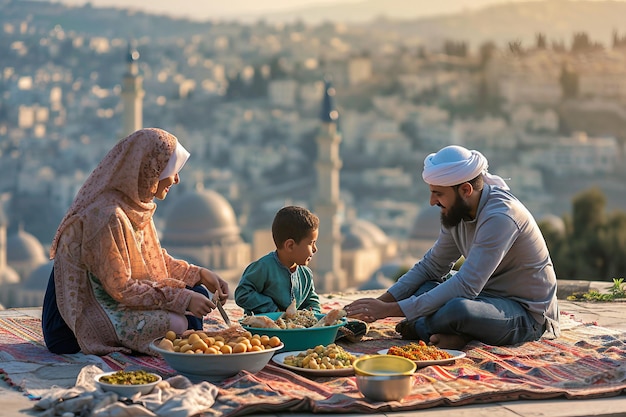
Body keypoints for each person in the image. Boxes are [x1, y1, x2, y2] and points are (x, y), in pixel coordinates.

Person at [344, 145, 560, 350]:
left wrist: (390, 311)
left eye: (438, 193)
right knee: (425, 287)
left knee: (459, 310)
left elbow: (466, 286)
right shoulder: (457, 212)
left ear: (465, 190)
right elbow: (431, 267)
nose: (431, 202)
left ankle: (419, 326)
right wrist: (376, 305)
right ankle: (455, 334)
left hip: (525, 314)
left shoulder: (500, 217)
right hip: (484, 298)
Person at [42, 128, 230, 356]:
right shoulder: (108, 216)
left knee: (196, 291)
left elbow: (154, 260)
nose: (177, 179)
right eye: (172, 170)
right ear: (151, 169)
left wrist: (198, 275)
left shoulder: (132, 206)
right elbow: (122, 288)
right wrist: (183, 299)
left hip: (113, 299)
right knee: (180, 323)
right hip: (72, 327)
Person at [235, 205, 322, 316]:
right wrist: (273, 310)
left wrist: (309, 316)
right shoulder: (264, 268)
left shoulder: (305, 274)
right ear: (290, 245)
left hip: (292, 329)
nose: (315, 249)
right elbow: (243, 294)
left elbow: (312, 302)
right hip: (263, 329)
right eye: (311, 243)